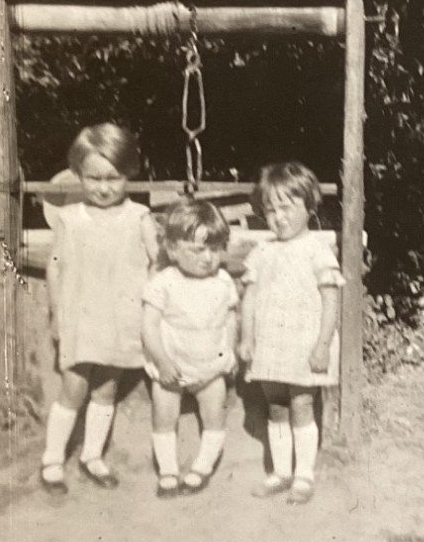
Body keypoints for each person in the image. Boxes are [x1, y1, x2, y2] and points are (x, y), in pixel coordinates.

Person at [41, 122, 158, 494]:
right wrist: (57, 316)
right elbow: (55, 267)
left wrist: (152, 309)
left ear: (129, 174)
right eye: (93, 179)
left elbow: (157, 264)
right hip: (81, 319)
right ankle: (52, 460)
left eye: (113, 178)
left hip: (122, 320)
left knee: (106, 390)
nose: (104, 188)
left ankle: (92, 456)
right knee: (73, 389)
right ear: (77, 175)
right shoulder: (70, 218)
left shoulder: (139, 217)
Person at [238, 162, 342, 505]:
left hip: (305, 343)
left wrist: (323, 345)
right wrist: (247, 338)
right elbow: (250, 298)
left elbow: (331, 299)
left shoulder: (317, 250)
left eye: (287, 207)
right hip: (271, 343)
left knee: (301, 404)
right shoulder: (262, 252)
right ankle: (281, 472)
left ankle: (304, 475)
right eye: (271, 209)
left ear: (309, 208)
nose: (279, 217)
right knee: (277, 407)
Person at [142, 200, 239, 498]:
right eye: (197, 250)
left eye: (215, 248)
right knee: (164, 414)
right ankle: (169, 470)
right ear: (172, 249)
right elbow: (149, 327)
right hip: (172, 367)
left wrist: (230, 352)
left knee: (215, 415)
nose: (208, 258)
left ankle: (202, 467)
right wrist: (162, 361)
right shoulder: (164, 282)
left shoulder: (223, 281)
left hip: (210, 369)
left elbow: (231, 318)